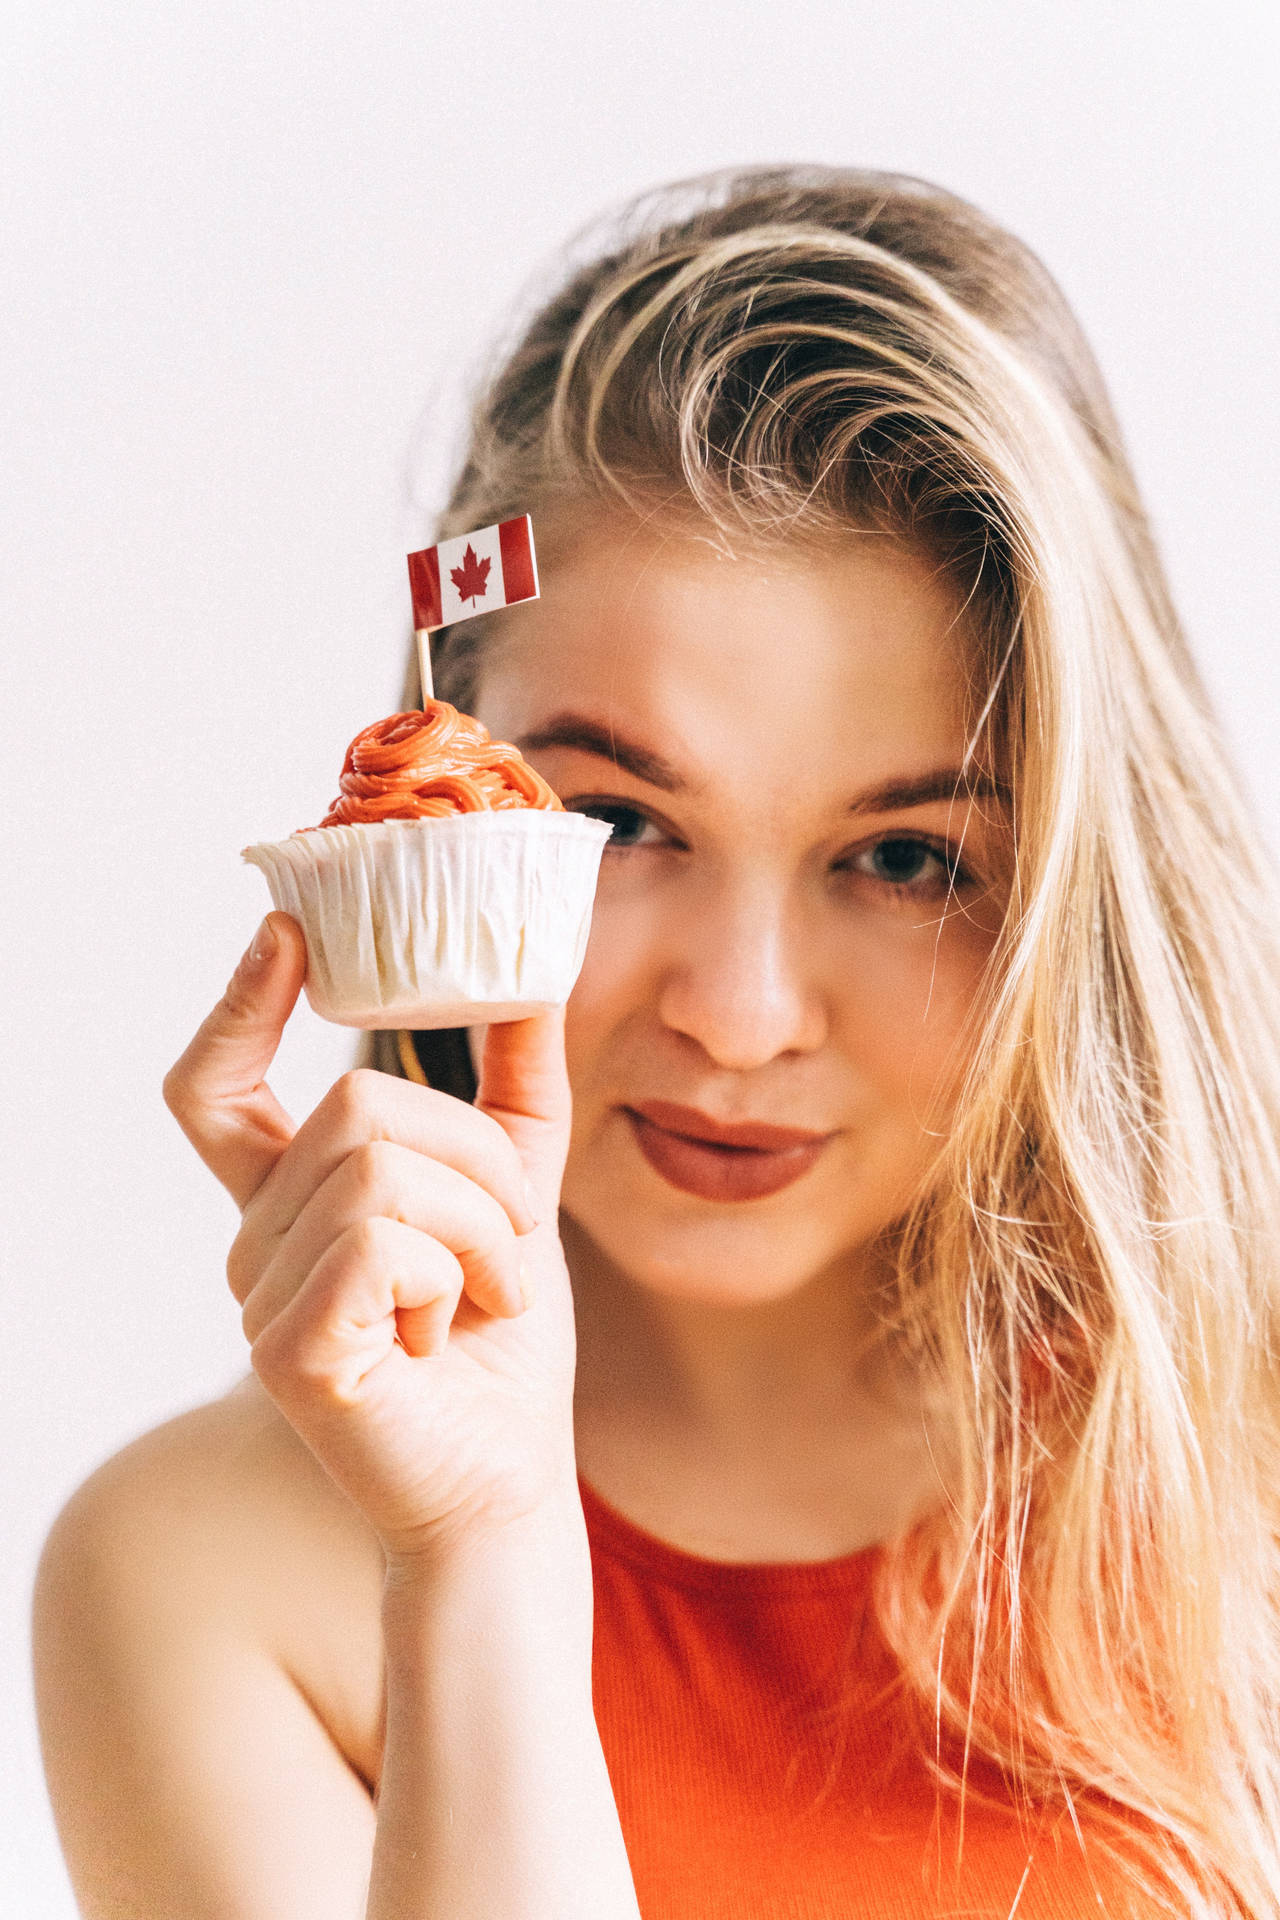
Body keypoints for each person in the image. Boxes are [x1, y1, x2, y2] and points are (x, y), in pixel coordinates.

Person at [32, 165, 1280, 1919]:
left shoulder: (1251, 1470)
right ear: (435, 806)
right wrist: (481, 1563)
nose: (742, 1014)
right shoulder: (198, 1573)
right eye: (619, 825)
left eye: (909, 859)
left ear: (1078, 882)